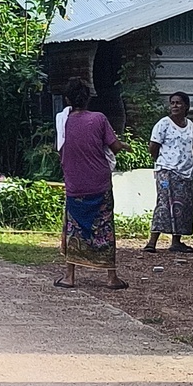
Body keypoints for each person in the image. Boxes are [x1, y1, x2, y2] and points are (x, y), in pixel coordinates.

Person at [57, 76, 126, 289]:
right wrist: (123, 145)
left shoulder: (63, 121)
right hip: (99, 182)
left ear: (67, 99)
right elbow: (114, 147)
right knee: (105, 227)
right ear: (88, 98)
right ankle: (111, 277)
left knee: (73, 229)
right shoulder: (99, 119)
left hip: (75, 183)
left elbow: (60, 148)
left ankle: (69, 276)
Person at [145, 91, 193, 254]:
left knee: (183, 207)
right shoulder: (163, 124)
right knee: (164, 204)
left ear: (186, 106)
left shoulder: (190, 126)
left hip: (186, 172)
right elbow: (152, 148)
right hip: (167, 171)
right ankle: (152, 242)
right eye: (172, 103)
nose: (175, 106)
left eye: (178, 103)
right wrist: (163, 162)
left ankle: (176, 242)